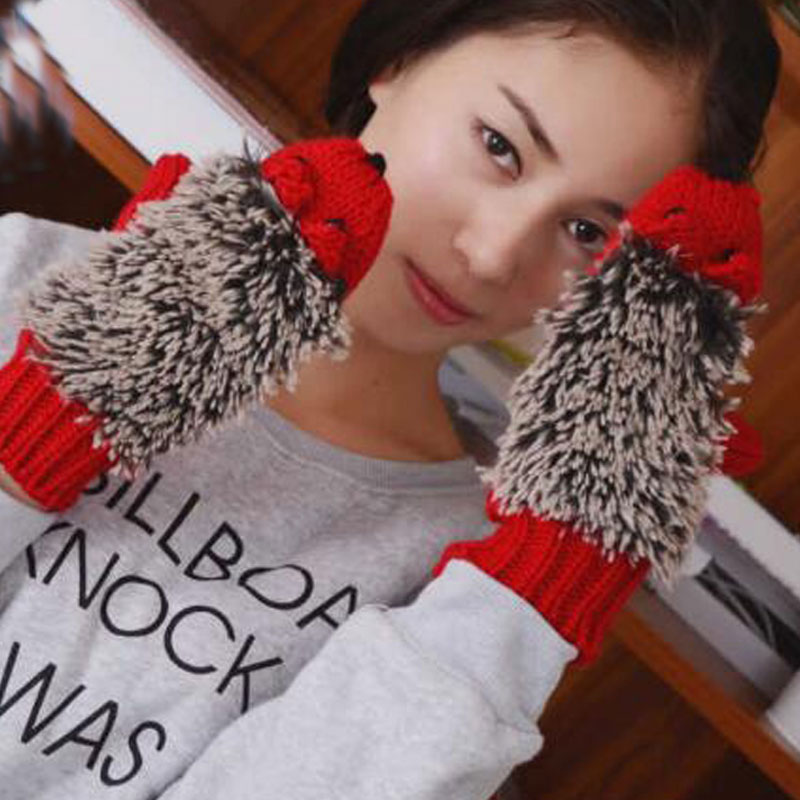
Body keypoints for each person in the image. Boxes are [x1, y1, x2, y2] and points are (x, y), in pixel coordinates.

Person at [0, 0, 781, 798]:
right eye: (500, 147)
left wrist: (535, 595)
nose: (492, 254)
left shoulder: (467, 594)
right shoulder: (22, 280)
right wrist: (43, 419)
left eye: (586, 232)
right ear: (398, 60)